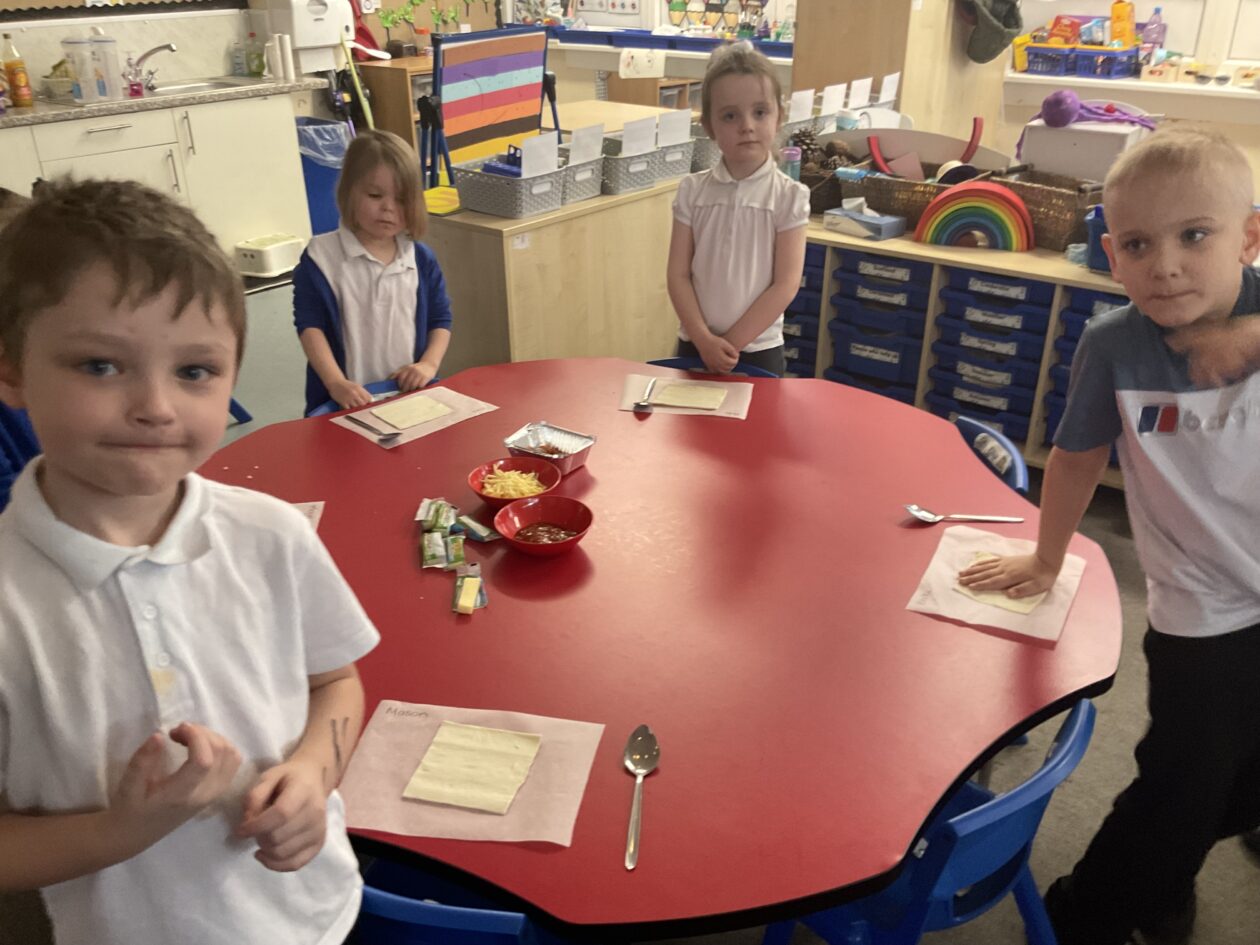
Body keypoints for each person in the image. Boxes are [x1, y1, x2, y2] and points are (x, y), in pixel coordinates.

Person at [0, 179, 381, 945]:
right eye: (100, 365)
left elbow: (336, 681)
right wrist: (118, 830)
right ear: (11, 370)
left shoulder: (272, 535)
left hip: (316, 917)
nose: (156, 405)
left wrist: (313, 773)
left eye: (195, 371)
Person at [959, 127, 1260, 945]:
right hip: (1201, 612)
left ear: (1248, 237)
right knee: (1180, 784)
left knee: (1231, 782)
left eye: (1194, 235)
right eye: (1138, 244)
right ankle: (1087, 910)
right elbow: (1076, 457)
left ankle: (1169, 869)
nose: (1165, 265)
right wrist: (1046, 555)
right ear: (1111, 255)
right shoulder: (1115, 344)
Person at [666, 41, 809, 377]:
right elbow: (678, 275)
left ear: (779, 117)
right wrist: (704, 341)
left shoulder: (789, 196)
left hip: (758, 350)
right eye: (730, 115)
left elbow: (785, 284)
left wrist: (728, 345)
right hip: (694, 344)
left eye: (760, 112)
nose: (747, 125)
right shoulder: (692, 191)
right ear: (709, 126)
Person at [294, 128, 453, 415]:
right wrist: (336, 383)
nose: (388, 208)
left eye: (401, 199)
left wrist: (428, 365)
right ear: (349, 192)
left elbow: (440, 320)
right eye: (375, 195)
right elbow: (310, 326)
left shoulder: (420, 259)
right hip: (344, 402)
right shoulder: (321, 257)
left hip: (407, 397)